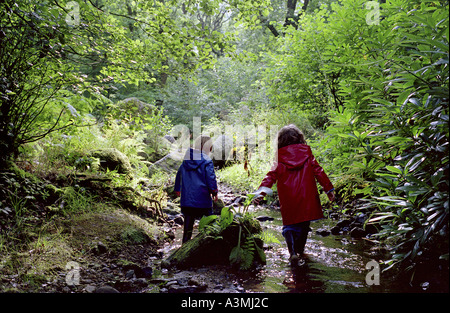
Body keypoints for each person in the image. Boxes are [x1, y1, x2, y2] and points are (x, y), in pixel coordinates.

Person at [254, 124, 335, 266]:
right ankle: (300, 251)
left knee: (289, 224)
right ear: (299, 138)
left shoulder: (279, 157)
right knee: (304, 224)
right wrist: (328, 189)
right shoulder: (307, 153)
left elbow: (270, 176)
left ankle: (292, 253)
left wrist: (260, 193)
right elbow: (318, 171)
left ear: (281, 141)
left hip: (288, 197)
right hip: (307, 196)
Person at [174, 135, 219, 243]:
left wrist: (177, 189)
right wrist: (214, 191)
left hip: (187, 201)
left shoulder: (186, 160)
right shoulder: (207, 161)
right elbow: (210, 178)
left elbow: (179, 175)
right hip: (202, 199)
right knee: (211, 223)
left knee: (188, 226)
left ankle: (184, 246)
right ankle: (212, 244)